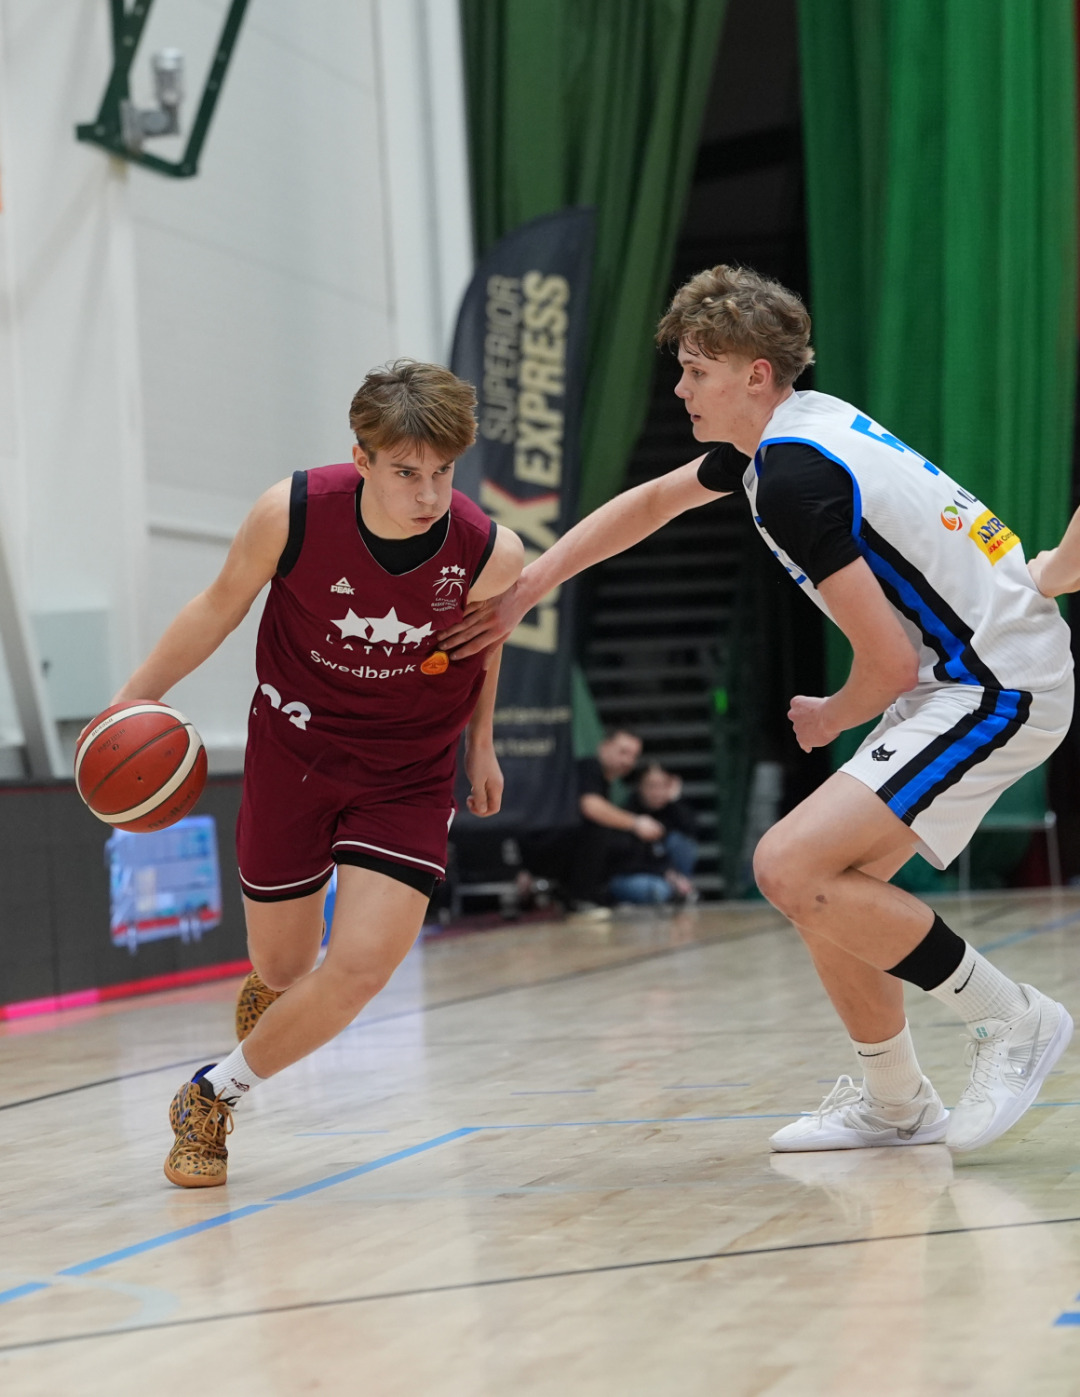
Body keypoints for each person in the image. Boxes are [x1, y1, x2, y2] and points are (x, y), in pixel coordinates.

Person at [439, 265, 1074, 1155]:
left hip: (994, 682)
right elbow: (652, 502)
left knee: (787, 863)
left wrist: (831, 714)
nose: (680, 387)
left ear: (756, 375)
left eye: (697, 370)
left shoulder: (794, 476)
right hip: (965, 670)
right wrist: (528, 587)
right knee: (827, 888)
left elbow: (886, 665)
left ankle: (1013, 1019)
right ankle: (896, 1100)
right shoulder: (791, 436)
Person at [113, 360, 523, 1187]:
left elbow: (486, 649)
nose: (428, 493)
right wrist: (130, 703)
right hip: (294, 751)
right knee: (284, 967)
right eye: (406, 472)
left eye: (443, 472)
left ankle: (211, 1096)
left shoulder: (489, 550)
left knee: (362, 966)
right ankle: (274, 998)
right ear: (361, 457)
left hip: (409, 769)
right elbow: (216, 606)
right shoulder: (291, 513)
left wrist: (481, 744)